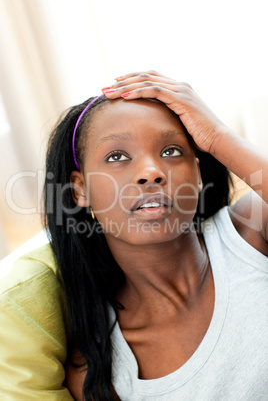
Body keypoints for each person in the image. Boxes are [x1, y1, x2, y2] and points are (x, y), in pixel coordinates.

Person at [0, 70, 267, 400]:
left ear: (197, 173)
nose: (150, 172)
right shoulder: (95, 369)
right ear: (79, 189)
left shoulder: (253, 234)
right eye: (116, 157)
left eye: (170, 151)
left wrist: (217, 136)